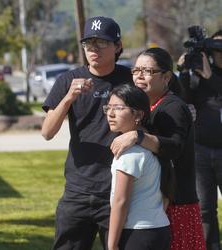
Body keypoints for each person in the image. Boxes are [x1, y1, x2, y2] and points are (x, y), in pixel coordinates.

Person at [41, 16, 132, 250]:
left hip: (118, 188)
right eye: (88, 43)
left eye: (101, 43)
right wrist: (69, 97)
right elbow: (47, 132)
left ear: (118, 46)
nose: (94, 49)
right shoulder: (68, 79)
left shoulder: (130, 79)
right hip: (77, 189)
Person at [110, 47, 206, 250]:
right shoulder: (151, 106)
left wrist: (138, 136)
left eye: (148, 71)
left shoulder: (172, 107)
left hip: (177, 206)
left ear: (166, 77)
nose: (139, 76)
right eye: (136, 71)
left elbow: (174, 147)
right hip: (158, 206)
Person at [106, 85, 170, 250]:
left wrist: (112, 245)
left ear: (139, 114)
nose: (110, 114)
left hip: (137, 233)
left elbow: (121, 201)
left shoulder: (129, 153)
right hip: (158, 228)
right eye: (108, 107)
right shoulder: (152, 144)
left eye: (119, 108)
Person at [178, 30, 222, 250]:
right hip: (201, 149)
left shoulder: (210, 75)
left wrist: (211, 78)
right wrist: (183, 72)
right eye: (216, 48)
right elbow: (184, 99)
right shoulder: (199, 73)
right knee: (205, 208)